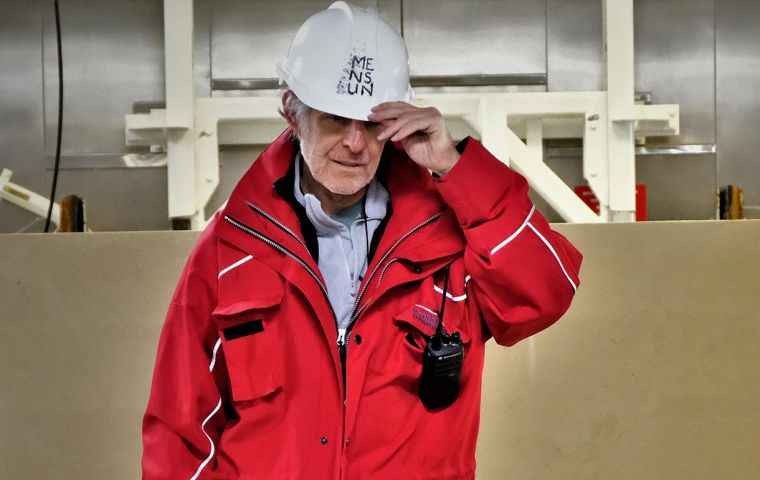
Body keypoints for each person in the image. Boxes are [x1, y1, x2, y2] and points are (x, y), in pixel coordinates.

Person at [142, 2, 582, 479]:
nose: (356, 143)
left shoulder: (452, 235)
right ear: (293, 112)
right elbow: (181, 430)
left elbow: (546, 294)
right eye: (335, 118)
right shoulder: (232, 249)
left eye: (372, 123)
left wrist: (456, 166)